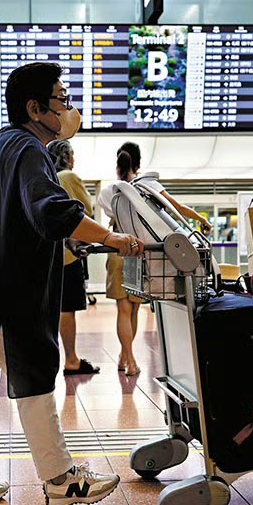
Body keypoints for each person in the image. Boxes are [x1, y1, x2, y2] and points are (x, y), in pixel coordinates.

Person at [0, 62, 145, 505]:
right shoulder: (26, 147)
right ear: (34, 108)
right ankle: (61, 479)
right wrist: (111, 238)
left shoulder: (5, 146)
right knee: (31, 376)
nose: (69, 109)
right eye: (62, 99)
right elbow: (51, 210)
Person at [97, 142, 211, 376]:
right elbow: (175, 208)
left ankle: (126, 357)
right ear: (138, 163)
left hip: (117, 252)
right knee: (135, 310)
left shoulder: (109, 191)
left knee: (122, 311)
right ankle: (128, 357)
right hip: (141, 252)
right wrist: (201, 218)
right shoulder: (147, 186)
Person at [48, 139, 100, 376]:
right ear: (67, 157)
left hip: (45, 256)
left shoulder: (43, 176)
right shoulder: (68, 177)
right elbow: (85, 212)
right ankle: (71, 359)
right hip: (66, 255)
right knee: (66, 308)